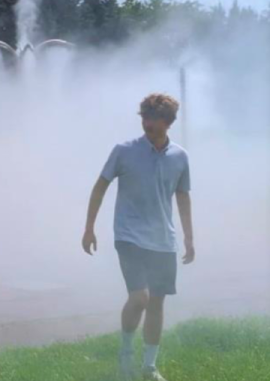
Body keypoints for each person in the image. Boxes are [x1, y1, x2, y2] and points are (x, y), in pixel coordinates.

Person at [82, 94, 195, 381]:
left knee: (157, 302)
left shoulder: (180, 157)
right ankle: (125, 351)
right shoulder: (124, 150)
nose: (146, 123)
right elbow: (100, 186)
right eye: (143, 117)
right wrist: (89, 227)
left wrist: (189, 238)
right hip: (129, 235)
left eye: (152, 118)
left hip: (163, 240)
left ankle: (149, 367)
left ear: (167, 122)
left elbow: (182, 197)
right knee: (140, 298)